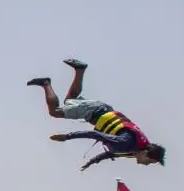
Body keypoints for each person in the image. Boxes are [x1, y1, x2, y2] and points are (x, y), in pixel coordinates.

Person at [27, 58, 167, 170]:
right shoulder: (126, 143)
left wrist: (92, 162)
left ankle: (80, 69)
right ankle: (46, 83)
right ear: (146, 153)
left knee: (70, 100)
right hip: (94, 111)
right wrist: (67, 137)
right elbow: (96, 135)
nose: (146, 165)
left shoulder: (133, 149)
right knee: (55, 112)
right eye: (149, 162)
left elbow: (111, 154)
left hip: (100, 110)